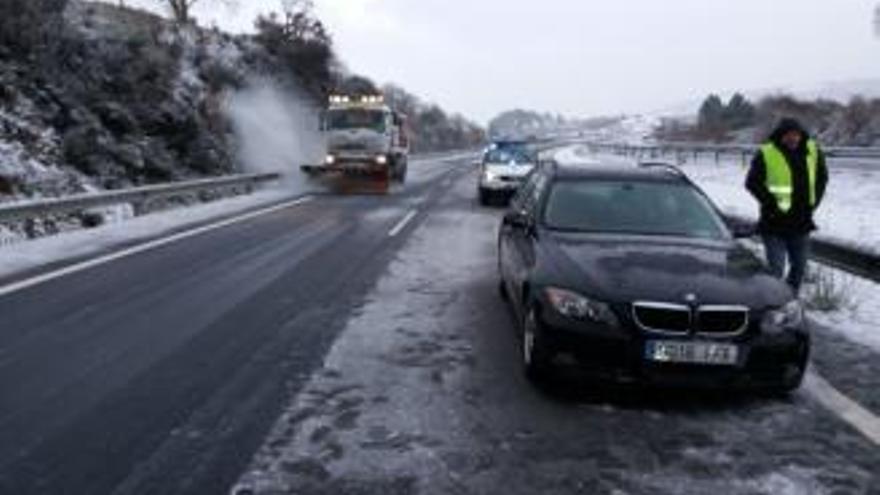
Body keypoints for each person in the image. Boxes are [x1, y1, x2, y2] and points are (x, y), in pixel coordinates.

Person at [746, 118, 828, 294]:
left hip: (801, 223)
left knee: (799, 268)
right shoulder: (767, 153)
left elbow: (822, 177)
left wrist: (813, 203)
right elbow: (752, 182)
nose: (793, 138)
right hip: (774, 223)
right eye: (789, 135)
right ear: (781, 135)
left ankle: (788, 301)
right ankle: (773, 303)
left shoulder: (812, 150)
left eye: (796, 134)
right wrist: (771, 204)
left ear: (801, 135)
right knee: (776, 270)